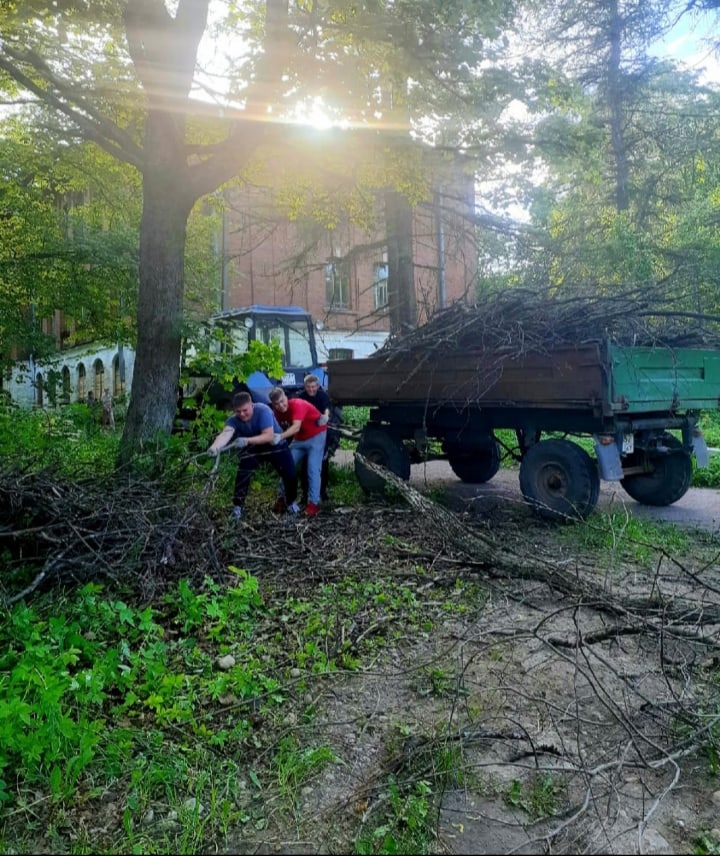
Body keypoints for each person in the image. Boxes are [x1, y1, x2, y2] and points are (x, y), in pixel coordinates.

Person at [207, 391, 298, 522]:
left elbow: (268, 435)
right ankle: (237, 508)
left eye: (245, 410)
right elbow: (225, 434)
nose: (242, 414)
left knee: (289, 474)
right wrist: (215, 447)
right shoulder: (233, 420)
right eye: (238, 411)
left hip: (275, 445)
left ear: (252, 405)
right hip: (253, 448)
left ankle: (291, 503)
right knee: (243, 474)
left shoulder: (263, 410)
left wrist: (246, 440)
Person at [268, 386, 326, 517]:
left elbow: (296, 427)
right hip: (299, 439)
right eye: (276, 404)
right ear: (273, 404)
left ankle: (313, 503)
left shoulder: (297, 404)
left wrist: (280, 437)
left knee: (312, 468)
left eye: (282, 401)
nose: (281, 405)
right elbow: (274, 428)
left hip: (316, 435)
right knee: (286, 466)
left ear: (286, 397)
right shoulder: (276, 412)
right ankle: (282, 498)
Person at [298, 374, 341, 503]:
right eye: (308, 387)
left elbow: (327, 408)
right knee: (306, 465)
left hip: (322, 433)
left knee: (323, 463)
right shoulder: (301, 397)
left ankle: (322, 492)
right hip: (307, 434)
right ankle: (305, 494)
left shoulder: (322, 396)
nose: (311, 389)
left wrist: (325, 417)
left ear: (317, 386)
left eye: (313, 387)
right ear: (305, 386)